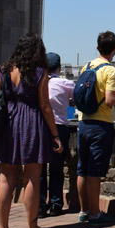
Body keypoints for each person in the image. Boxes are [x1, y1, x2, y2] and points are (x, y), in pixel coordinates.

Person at [0, 34, 64, 228]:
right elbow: (44, 105)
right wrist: (55, 134)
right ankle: (33, 227)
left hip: (8, 123)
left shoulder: (4, 70)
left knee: (6, 177)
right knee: (32, 176)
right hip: (31, 122)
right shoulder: (39, 71)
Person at [76, 31, 115, 227]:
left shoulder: (87, 66)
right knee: (94, 172)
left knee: (82, 169)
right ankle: (95, 213)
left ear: (97, 47)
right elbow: (109, 101)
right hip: (100, 124)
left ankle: (83, 211)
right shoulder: (110, 71)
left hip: (83, 123)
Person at [38, 52, 74, 218]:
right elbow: (77, 99)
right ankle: (55, 204)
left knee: (39, 169)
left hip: (41, 127)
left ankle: (39, 205)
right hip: (59, 127)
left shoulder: (38, 82)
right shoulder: (65, 83)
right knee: (57, 168)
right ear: (59, 67)